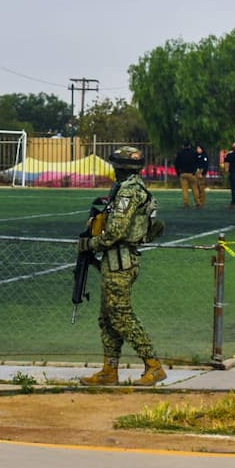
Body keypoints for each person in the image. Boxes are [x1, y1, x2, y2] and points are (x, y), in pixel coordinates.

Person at [78, 145, 167, 387]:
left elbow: (116, 231)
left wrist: (90, 244)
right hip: (116, 260)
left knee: (121, 315)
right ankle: (110, 369)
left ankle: (153, 364)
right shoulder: (129, 188)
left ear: (121, 168)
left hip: (121, 261)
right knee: (107, 318)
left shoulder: (129, 192)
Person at [175, 142, 199, 207]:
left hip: (183, 173)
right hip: (192, 173)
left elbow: (176, 164)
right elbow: (197, 163)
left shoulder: (180, 153)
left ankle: (186, 203)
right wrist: (195, 171)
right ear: (189, 146)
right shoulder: (194, 153)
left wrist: (178, 173)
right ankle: (197, 202)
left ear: (183, 146)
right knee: (195, 189)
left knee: (185, 190)